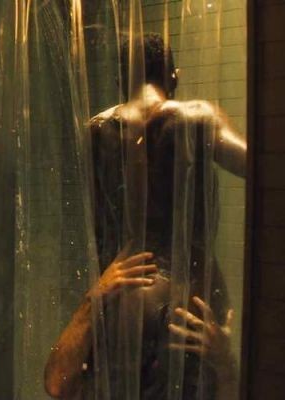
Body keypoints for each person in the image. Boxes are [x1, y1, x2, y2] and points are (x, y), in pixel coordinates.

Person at [44, 33, 246, 399]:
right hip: (187, 291)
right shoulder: (194, 116)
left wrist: (97, 295)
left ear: (121, 80)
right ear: (174, 76)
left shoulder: (94, 130)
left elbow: (95, 221)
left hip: (121, 289)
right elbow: (257, 164)